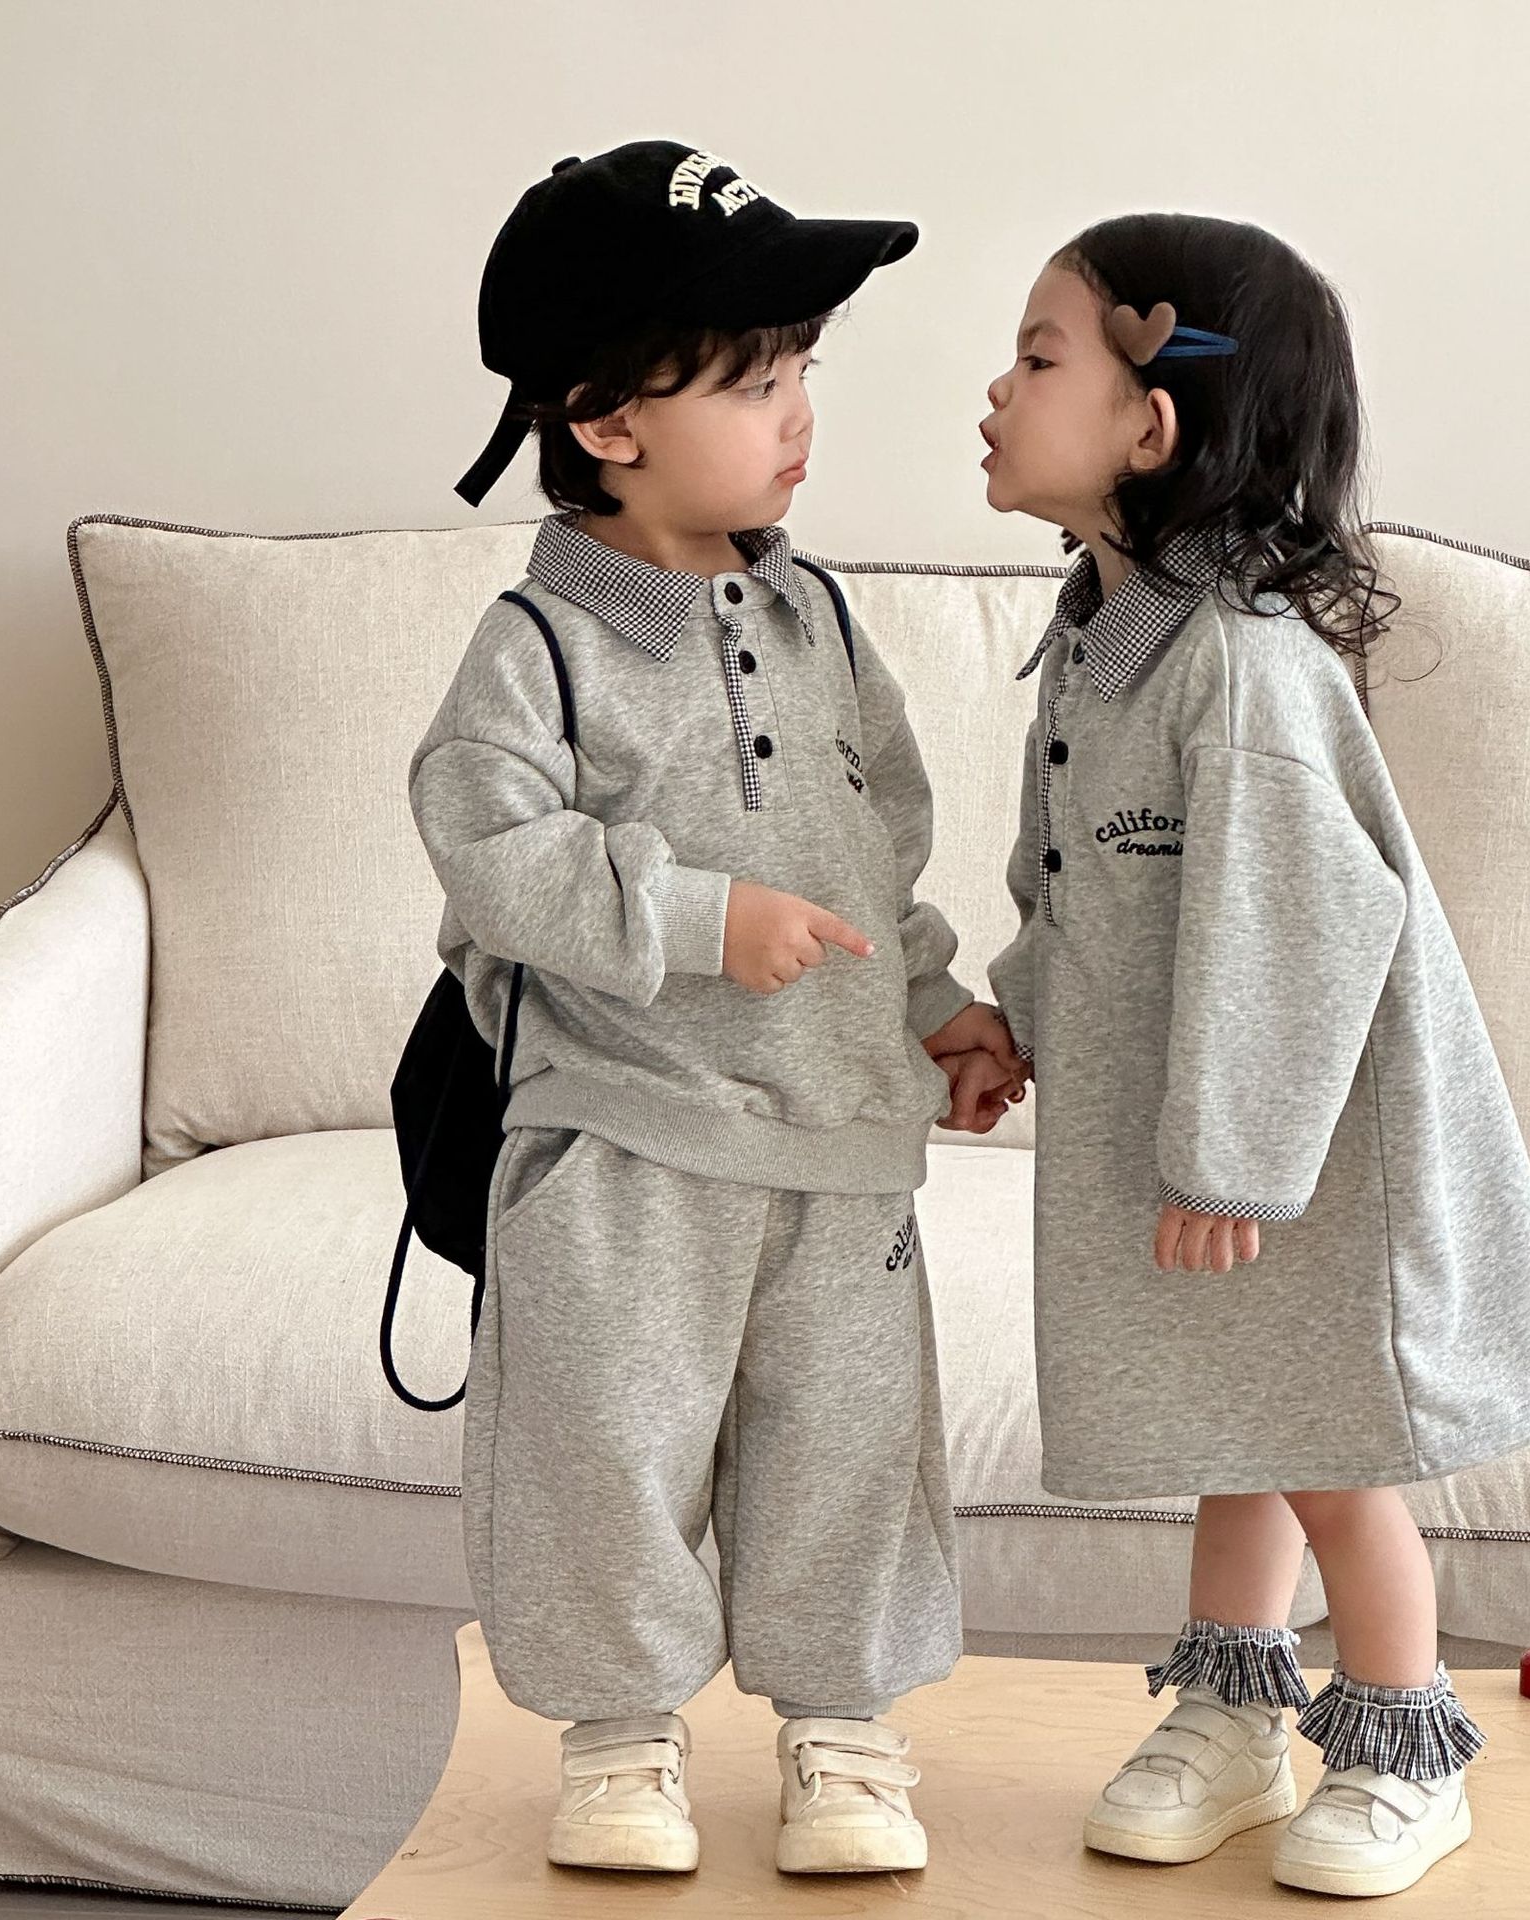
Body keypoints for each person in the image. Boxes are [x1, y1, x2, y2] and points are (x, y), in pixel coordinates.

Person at [409, 139, 1022, 1876]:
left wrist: (933, 1005)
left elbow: (873, 855)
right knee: (607, 1452)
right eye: (754, 381)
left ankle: (845, 1735)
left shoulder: (818, 615)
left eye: (802, 366)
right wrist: (693, 917)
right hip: (625, 1143)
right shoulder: (539, 644)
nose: (799, 411)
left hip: (840, 1149)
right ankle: (618, 1741)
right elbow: (487, 847)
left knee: (848, 1449)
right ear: (607, 419)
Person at [974, 212, 1530, 1899]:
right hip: (1203, 1138)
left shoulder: (1242, 670)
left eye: (1037, 357)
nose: (995, 392)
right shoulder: (1098, 646)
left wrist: (1236, 1159)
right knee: (1228, 1424)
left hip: (1302, 1146)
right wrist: (1016, 1019)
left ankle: (1403, 1747)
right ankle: (1237, 1714)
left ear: (1151, 423)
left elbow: (1302, 920)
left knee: (1326, 1452)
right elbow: (1076, 888)